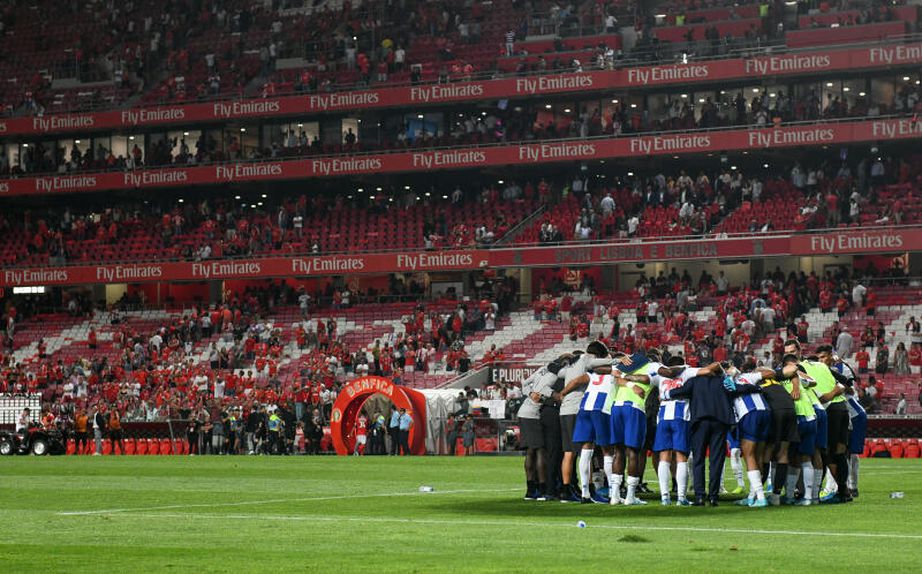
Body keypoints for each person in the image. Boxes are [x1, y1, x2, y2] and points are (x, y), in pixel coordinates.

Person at [664, 367, 734, 506]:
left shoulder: (695, 381)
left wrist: (665, 394)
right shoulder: (723, 381)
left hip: (700, 421)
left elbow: (680, 392)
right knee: (716, 460)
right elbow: (734, 391)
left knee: (698, 459)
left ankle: (700, 496)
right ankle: (713, 496)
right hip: (719, 422)